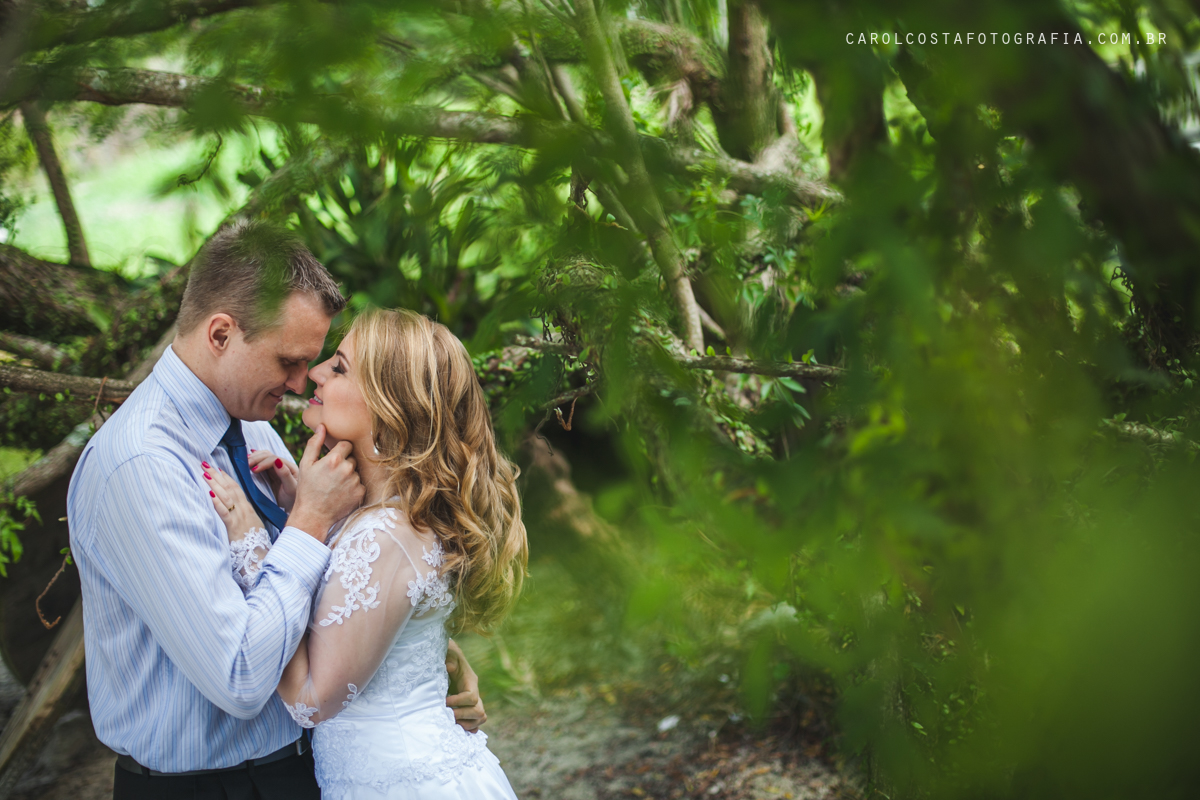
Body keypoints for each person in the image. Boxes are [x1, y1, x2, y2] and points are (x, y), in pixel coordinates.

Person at [66, 221, 487, 800]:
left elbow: (343, 590)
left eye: (319, 362)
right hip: (209, 787)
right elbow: (240, 676)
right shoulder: (141, 465)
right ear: (220, 334)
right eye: (288, 360)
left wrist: (419, 649)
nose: (301, 382)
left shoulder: (256, 427)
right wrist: (307, 524)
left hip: (306, 770)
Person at [202, 307, 528, 799]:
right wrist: (302, 508)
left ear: (388, 406)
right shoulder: (382, 518)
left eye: (338, 367)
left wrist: (254, 546)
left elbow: (310, 703)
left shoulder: (384, 535)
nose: (313, 372)